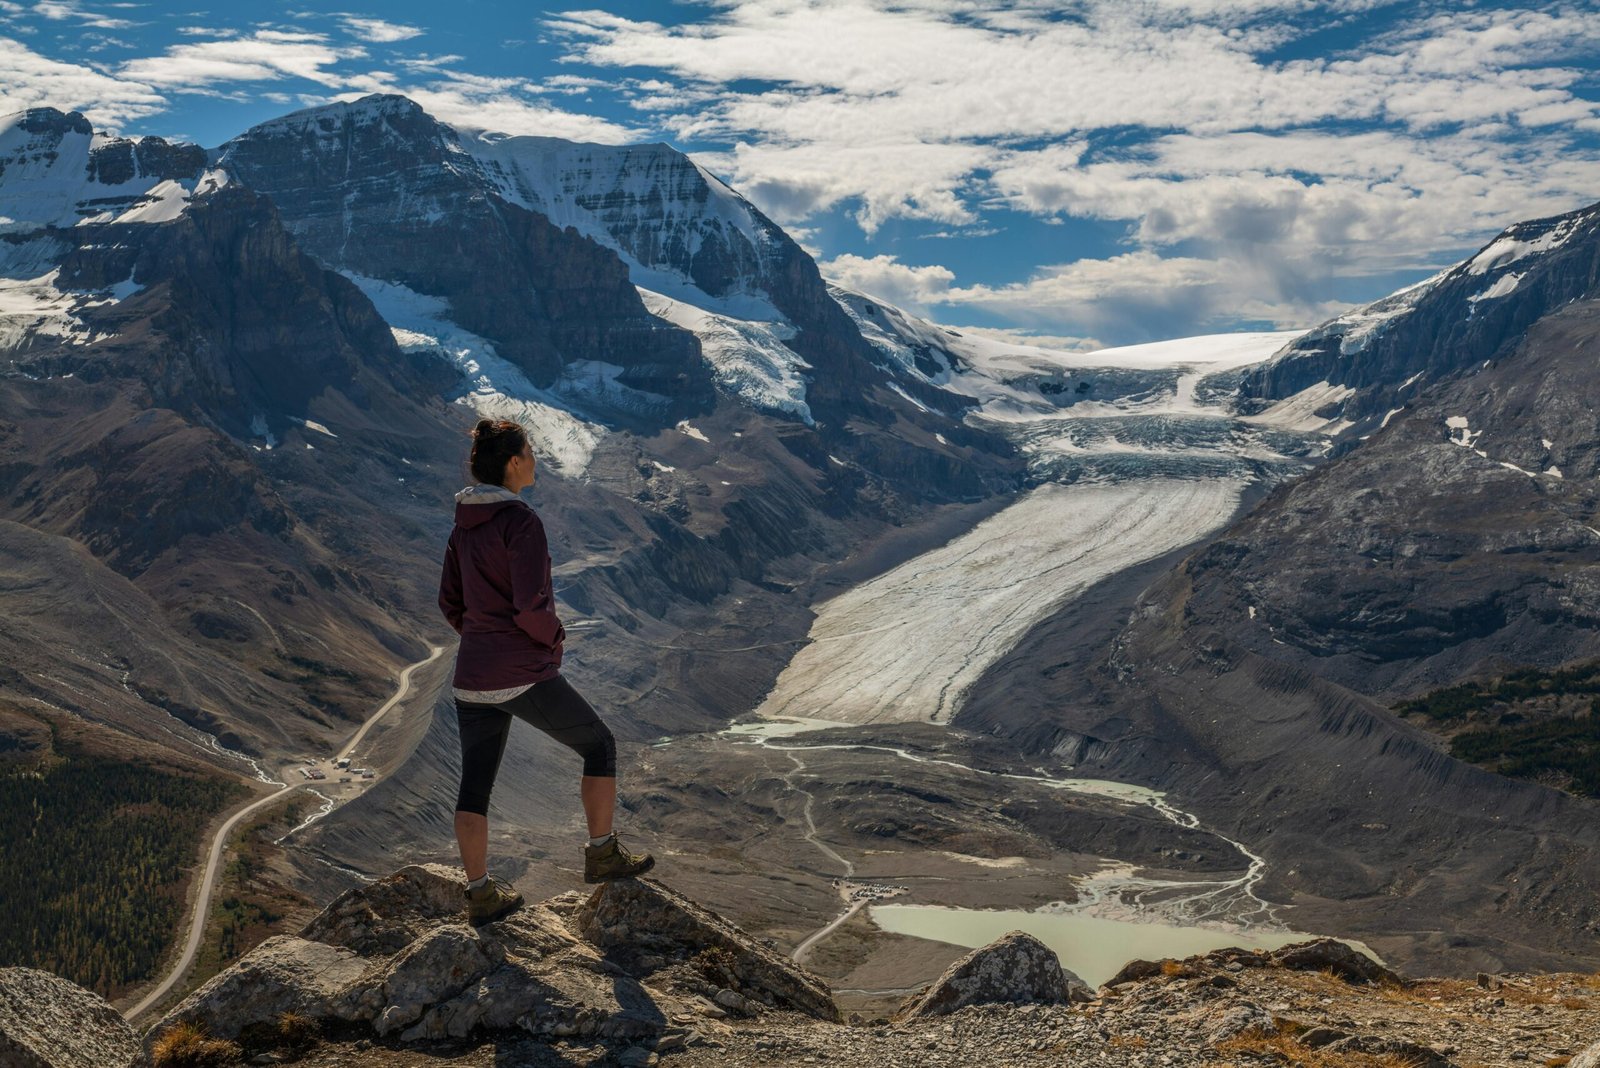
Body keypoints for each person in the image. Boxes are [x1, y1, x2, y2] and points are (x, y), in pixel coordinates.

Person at [438, 418, 653, 926]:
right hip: (520, 671)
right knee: (598, 745)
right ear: (513, 463)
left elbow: (449, 601)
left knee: (474, 787)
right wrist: (553, 640)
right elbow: (531, 605)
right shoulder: (521, 522)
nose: (535, 459)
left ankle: (480, 893)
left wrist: (480, 638)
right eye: (530, 452)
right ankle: (601, 852)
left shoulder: (461, 525)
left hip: (472, 676)